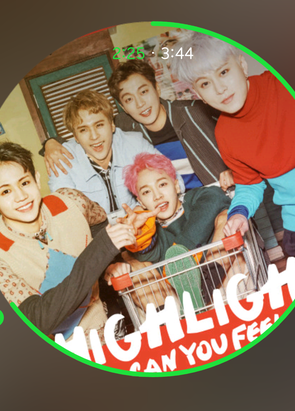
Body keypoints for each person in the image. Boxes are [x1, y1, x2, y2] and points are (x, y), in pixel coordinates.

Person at [170, 33, 295, 272]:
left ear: (242, 64)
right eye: (205, 84)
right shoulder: (225, 134)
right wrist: (239, 214)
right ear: (198, 94)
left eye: (223, 72)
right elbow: (249, 184)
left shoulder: (285, 85)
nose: (220, 89)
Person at [0, 141, 136, 343]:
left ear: (36, 179)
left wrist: (109, 264)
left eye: (24, 183)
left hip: (112, 323)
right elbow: (37, 319)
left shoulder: (70, 201)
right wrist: (101, 250)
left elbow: (99, 221)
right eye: (5, 191)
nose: (21, 196)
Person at [44, 59, 234, 189]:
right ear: (123, 107)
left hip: (221, 195)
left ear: (157, 88)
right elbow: (89, 131)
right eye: (129, 99)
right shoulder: (123, 126)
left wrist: (234, 170)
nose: (140, 103)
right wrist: (50, 143)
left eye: (144, 92)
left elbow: (239, 127)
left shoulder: (195, 111)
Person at [105, 152, 232, 312]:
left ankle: (202, 291)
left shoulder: (194, 200)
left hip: (216, 282)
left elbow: (215, 197)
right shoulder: (153, 230)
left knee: (228, 217)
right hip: (176, 299)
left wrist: (179, 254)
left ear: (176, 186)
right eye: (146, 192)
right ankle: (165, 318)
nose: (157, 196)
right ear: (140, 202)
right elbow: (147, 253)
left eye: (162, 184)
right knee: (131, 260)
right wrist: (139, 231)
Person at [47, 89, 182, 213]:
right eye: (83, 130)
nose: (94, 136)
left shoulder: (134, 143)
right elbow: (62, 212)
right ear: (75, 136)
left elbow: (174, 179)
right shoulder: (61, 158)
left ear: (112, 125)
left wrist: (140, 210)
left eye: (99, 125)